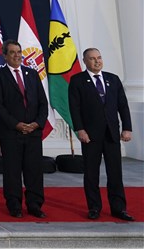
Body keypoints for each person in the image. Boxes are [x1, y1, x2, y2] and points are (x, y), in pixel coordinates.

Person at [69, 48, 134, 221]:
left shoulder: (113, 79)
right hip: (90, 135)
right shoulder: (77, 80)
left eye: (99, 57)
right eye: (92, 58)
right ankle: (94, 208)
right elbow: (74, 108)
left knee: (115, 173)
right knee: (91, 173)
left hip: (111, 134)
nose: (97, 61)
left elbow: (123, 105)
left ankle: (119, 208)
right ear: (85, 61)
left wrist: (127, 128)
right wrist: (80, 129)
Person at [0, 40, 49, 219]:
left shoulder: (32, 74)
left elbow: (43, 103)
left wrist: (37, 123)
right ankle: (14, 205)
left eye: (19, 52)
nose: (17, 55)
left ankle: (34, 204)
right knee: (12, 171)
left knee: (34, 170)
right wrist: (16, 124)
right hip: (11, 132)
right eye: (12, 52)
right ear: (5, 55)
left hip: (33, 132)